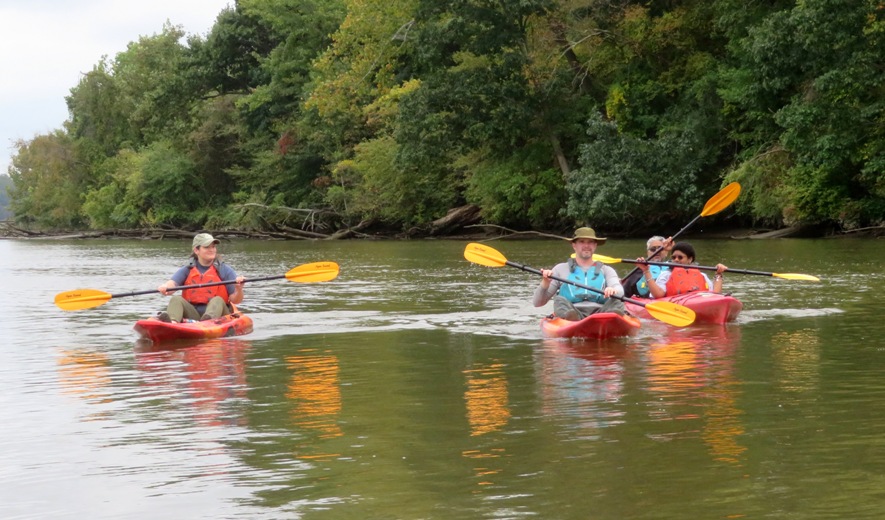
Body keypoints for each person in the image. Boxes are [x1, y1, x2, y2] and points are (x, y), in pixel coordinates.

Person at [533, 227, 625, 320]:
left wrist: (613, 290)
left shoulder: (606, 270)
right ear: (574, 245)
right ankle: (571, 319)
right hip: (572, 311)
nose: (586, 246)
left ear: (595, 245)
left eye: (590, 242)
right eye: (582, 241)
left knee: (617, 301)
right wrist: (545, 283)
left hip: (601, 312)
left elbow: (619, 289)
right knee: (559, 300)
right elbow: (537, 303)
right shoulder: (559, 269)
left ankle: (612, 318)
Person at [155, 233, 245, 323]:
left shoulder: (224, 270)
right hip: (194, 314)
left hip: (219, 315)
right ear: (196, 250)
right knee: (176, 299)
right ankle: (173, 322)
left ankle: (208, 321)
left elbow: (236, 300)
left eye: (213, 247)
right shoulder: (188, 269)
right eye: (207, 247)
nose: (212, 250)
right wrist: (165, 287)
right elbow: (172, 284)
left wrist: (239, 289)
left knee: (217, 300)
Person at [643, 241, 727, 298]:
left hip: (697, 302)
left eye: (680, 257)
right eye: (673, 257)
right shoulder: (666, 275)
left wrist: (718, 274)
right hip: (674, 305)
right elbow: (658, 295)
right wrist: (646, 271)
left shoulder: (702, 276)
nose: (676, 259)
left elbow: (715, 295)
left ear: (690, 259)